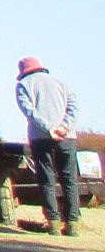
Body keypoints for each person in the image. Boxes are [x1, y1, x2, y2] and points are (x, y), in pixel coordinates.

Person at [15, 58, 82, 237]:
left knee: (46, 179)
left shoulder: (23, 85)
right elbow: (73, 107)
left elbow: (29, 111)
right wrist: (64, 127)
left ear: (23, 71)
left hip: (40, 138)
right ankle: (73, 224)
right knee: (69, 179)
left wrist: (48, 128)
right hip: (67, 136)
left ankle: (52, 223)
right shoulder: (61, 83)